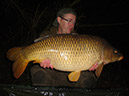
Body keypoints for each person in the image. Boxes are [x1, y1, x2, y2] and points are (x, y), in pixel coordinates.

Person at [31, 8, 98, 88]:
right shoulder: (47, 35)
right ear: (59, 20)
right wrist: (41, 62)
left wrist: (90, 64)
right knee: (39, 74)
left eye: (74, 22)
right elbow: (37, 53)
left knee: (89, 79)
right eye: (69, 21)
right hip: (51, 75)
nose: (72, 25)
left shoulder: (79, 39)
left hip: (71, 79)